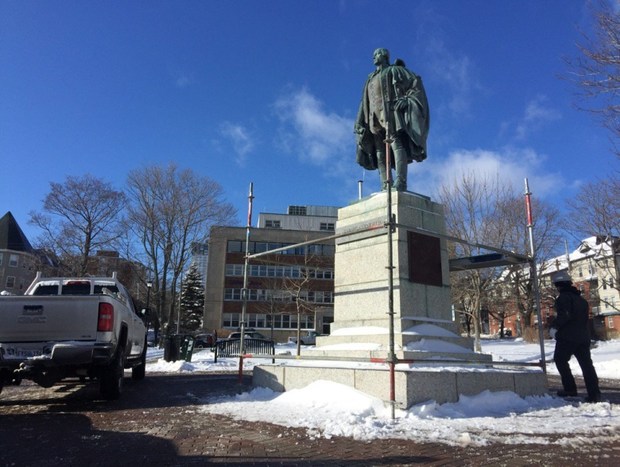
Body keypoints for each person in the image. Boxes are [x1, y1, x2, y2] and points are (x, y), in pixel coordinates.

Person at [354, 48, 430, 192]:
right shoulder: (370, 78)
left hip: (391, 115)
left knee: (396, 145)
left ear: (384, 56)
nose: (374, 57)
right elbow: (364, 102)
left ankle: (400, 182)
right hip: (373, 119)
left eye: (376, 54)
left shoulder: (395, 70)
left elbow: (415, 83)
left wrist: (407, 100)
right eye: (373, 55)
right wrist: (359, 121)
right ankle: (385, 183)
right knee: (380, 152)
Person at [549, 270, 602, 402]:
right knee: (586, 365)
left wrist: (554, 326)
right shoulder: (581, 300)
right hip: (583, 337)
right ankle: (594, 393)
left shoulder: (563, 298)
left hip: (567, 337)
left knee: (560, 360)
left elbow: (565, 315)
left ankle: (570, 388)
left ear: (559, 285)